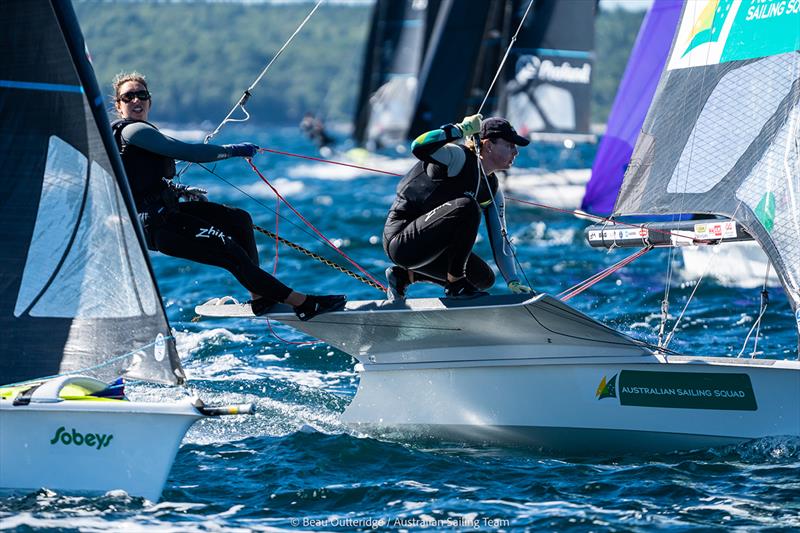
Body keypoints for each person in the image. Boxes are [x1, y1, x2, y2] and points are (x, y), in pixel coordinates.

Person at [110, 72, 346, 320]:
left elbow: (140, 178)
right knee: (231, 253)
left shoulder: (143, 133)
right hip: (157, 225)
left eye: (141, 95)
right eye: (128, 97)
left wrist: (176, 191)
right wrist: (232, 150)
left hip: (167, 211)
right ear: (119, 105)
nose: (136, 100)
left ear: (149, 100)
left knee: (238, 220)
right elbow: (187, 151)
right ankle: (304, 303)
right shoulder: (133, 132)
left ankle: (260, 297)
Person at [382, 114, 535, 300]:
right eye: (510, 145)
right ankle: (455, 284)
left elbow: (500, 241)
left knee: (483, 278)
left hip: (432, 251)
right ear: (488, 145)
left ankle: (403, 276)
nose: (516, 152)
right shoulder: (457, 157)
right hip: (402, 242)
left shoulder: (492, 190)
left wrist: (513, 281)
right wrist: (460, 129)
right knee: (467, 205)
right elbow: (418, 146)